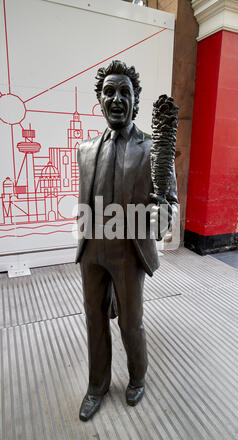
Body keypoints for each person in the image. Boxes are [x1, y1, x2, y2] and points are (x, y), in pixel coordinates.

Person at [75, 60, 178, 421]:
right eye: (109, 92)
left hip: (128, 251)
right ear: (99, 100)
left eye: (125, 92)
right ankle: (97, 385)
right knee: (93, 319)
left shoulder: (153, 150)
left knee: (130, 321)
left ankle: (137, 377)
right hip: (92, 250)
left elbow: (170, 204)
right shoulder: (85, 149)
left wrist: (160, 217)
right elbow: (84, 198)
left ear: (135, 101)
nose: (116, 98)